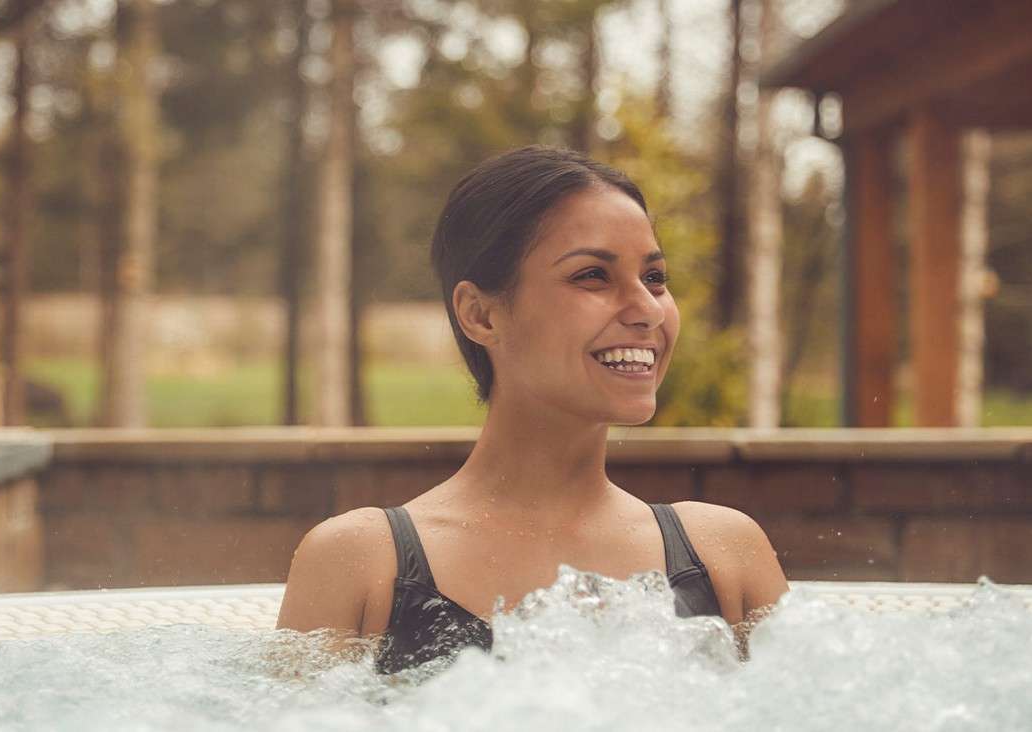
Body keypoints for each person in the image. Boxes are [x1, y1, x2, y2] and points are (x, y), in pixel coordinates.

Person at [276, 145, 788, 673]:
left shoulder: (723, 554)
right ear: (481, 315)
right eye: (592, 275)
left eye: (655, 277)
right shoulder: (363, 564)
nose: (648, 309)